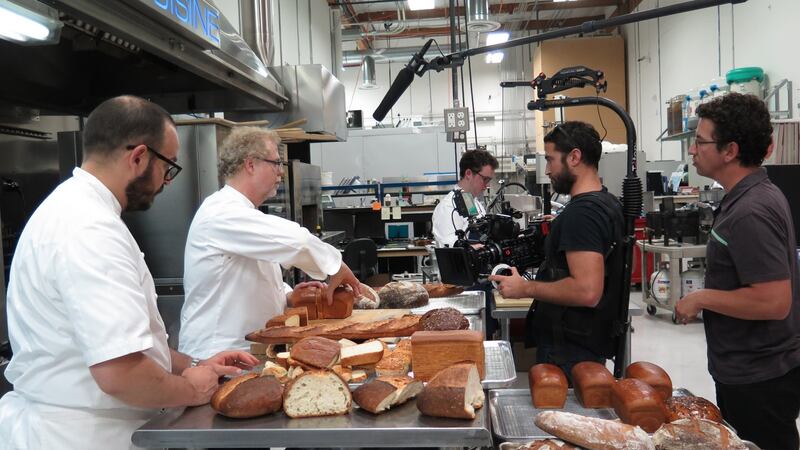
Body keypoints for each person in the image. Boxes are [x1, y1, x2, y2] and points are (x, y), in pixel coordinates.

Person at [0, 96, 256, 450]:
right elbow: (121, 374)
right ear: (138, 156)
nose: (168, 181)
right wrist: (194, 388)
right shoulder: (89, 229)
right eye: (169, 166)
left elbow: (134, 350)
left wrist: (194, 364)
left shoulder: (72, 208)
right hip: (85, 436)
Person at [675, 93, 800, 450]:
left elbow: (775, 301)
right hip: (749, 369)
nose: (692, 150)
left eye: (700, 141)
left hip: (761, 378)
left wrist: (700, 298)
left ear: (729, 150)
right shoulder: (748, 196)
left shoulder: (751, 211)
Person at [179, 126, 361, 359]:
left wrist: (286, 296)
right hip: (216, 353)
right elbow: (298, 240)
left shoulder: (241, 213)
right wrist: (336, 265)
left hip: (245, 349)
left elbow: (250, 272)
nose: (280, 173)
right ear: (250, 164)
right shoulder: (222, 212)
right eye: (275, 163)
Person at [490, 121, 625, 379]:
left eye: (551, 160)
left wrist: (525, 288)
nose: (548, 169)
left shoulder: (582, 214)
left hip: (569, 351)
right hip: (586, 342)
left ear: (574, 157)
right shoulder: (606, 202)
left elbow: (587, 291)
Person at [432, 149, 498, 248]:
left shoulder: (473, 202)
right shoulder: (447, 208)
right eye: (485, 179)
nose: (487, 185)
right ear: (468, 174)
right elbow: (452, 251)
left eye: (489, 180)